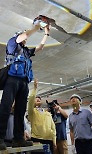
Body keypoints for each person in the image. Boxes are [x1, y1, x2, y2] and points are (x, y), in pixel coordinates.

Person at [0, 16, 50, 150]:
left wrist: (46, 33)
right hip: (11, 80)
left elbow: (40, 47)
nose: (26, 39)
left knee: (20, 110)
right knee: (5, 108)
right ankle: (0, 138)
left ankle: (18, 138)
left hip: (23, 83)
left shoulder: (26, 51)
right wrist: (36, 27)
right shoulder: (12, 43)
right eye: (24, 37)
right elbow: (24, 35)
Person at [28, 79, 56, 154]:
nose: (38, 99)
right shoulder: (32, 112)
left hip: (49, 140)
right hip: (36, 140)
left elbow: (53, 128)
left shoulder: (47, 113)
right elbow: (30, 101)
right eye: (36, 98)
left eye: (39, 98)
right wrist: (35, 88)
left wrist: (54, 140)